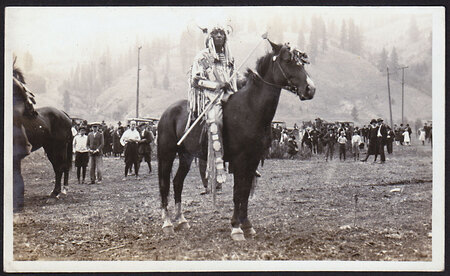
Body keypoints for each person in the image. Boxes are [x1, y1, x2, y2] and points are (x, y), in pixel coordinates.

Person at [188, 25, 238, 186]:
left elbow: (233, 79)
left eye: (221, 33)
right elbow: (196, 80)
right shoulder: (202, 57)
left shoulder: (229, 57)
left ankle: (243, 159)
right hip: (210, 98)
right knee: (216, 121)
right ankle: (218, 165)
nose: (219, 36)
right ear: (210, 37)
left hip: (228, 96)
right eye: (215, 33)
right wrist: (216, 86)